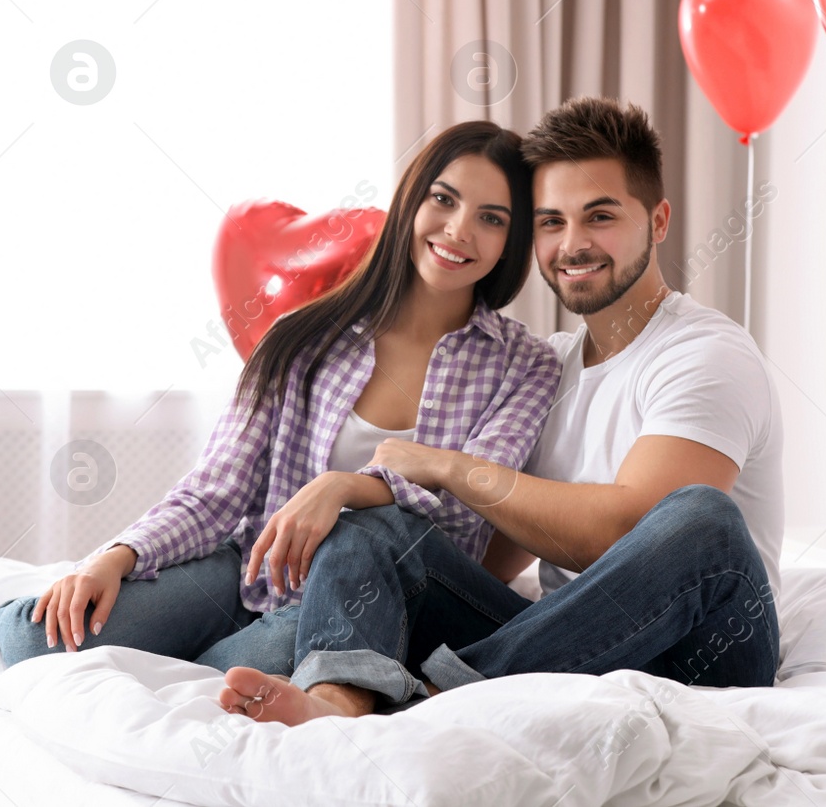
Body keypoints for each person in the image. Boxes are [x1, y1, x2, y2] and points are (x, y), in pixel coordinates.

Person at [218, 95, 785, 723]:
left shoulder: (704, 352)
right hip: (567, 639)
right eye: (550, 222)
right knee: (378, 529)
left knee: (700, 517)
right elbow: (500, 545)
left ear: (657, 221)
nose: (573, 244)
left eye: (600, 216)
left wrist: (445, 465)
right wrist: (393, 567)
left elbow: (626, 530)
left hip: (703, 652)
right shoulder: (554, 364)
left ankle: (441, 696)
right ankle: (341, 697)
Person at [0, 120, 562, 675]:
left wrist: (341, 486)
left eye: (491, 218)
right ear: (412, 200)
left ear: (511, 241)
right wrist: (117, 557)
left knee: (226, 674)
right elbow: (217, 488)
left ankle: (237, 658)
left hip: (364, 599)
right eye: (444, 199)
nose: (459, 229)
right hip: (249, 573)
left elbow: (465, 507)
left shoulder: (527, 366)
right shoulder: (304, 335)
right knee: (29, 640)